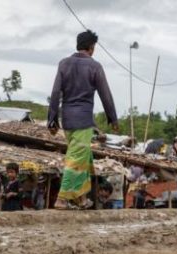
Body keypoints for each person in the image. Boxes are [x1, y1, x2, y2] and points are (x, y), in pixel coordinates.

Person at [48, 30, 118, 209]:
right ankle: (62, 198)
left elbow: (56, 93)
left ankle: (81, 198)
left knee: (84, 158)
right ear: (92, 48)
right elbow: (106, 94)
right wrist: (113, 118)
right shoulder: (95, 66)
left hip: (67, 121)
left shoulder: (63, 64)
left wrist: (52, 119)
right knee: (75, 159)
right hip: (83, 121)